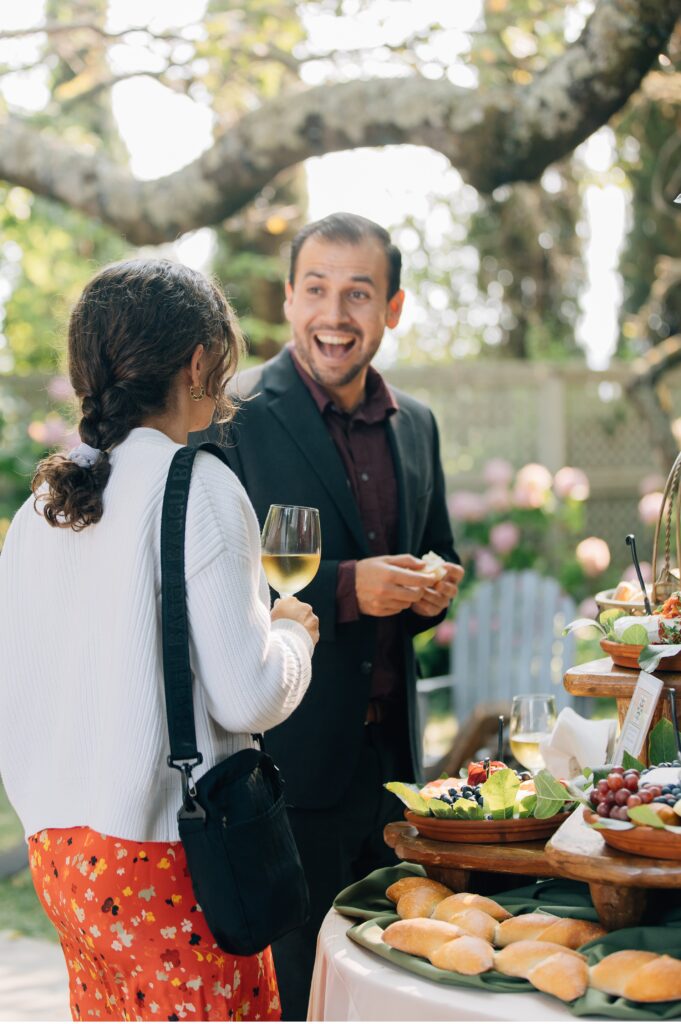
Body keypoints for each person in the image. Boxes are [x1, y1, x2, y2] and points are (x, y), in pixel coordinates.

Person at [0, 258, 319, 1023]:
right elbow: (249, 694)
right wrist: (291, 635)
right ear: (200, 361)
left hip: (61, 859)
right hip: (165, 865)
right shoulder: (199, 486)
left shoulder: (43, 502)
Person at [197, 212, 464, 1019]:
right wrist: (349, 590)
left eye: (358, 293)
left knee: (391, 985)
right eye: (316, 289)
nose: (335, 315)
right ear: (287, 299)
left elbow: (437, 551)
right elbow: (216, 597)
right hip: (283, 768)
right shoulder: (230, 418)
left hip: (394, 768)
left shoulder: (415, 424)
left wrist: (432, 588)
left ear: (393, 307)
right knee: (290, 994)